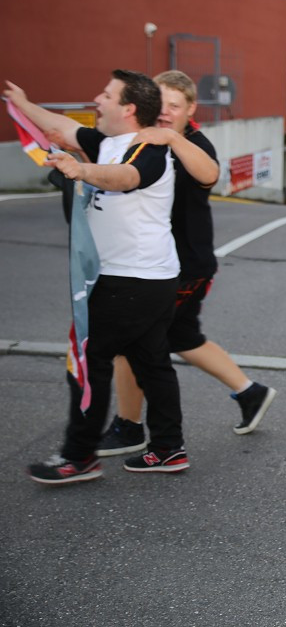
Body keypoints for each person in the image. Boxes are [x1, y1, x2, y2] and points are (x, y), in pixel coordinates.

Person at [5, 71, 190, 483]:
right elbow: (59, 128)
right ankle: (167, 448)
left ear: (128, 108)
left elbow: (126, 179)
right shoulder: (105, 142)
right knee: (151, 362)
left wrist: (80, 172)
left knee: (88, 360)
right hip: (146, 277)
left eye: (105, 95)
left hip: (133, 280)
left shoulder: (149, 149)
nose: (96, 100)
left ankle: (80, 456)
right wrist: (21, 102)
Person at [96, 70, 276, 457]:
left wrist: (173, 138)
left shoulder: (193, 142)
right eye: (160, 106)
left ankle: (130, 427)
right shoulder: (145, 139)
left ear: (191, 109)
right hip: (162, 264)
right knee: (181, 336)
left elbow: (211, 173)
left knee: (134, 341)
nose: (165, 114)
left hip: (185, 266)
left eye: (174, 107)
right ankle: (251, 392)